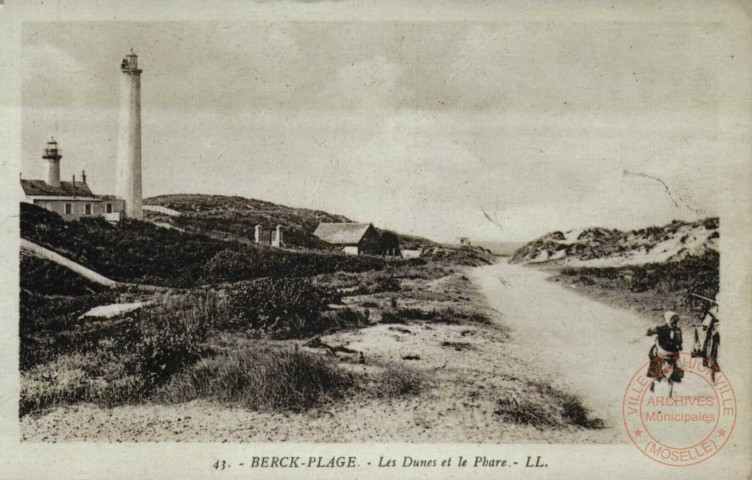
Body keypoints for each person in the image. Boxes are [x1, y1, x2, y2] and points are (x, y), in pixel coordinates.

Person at [646, 311, 683, 392]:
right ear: (668, 320)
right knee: (657, 369)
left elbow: (680, 342)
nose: (674, 323)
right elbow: (650, 332)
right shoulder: (661, 328)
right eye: (672, 320)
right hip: (661, 351)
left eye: (676, 321)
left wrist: (679, 346)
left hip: (672, 353)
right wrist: (650, 331)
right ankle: (654, 381)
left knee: (673, 373)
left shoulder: (678, 330)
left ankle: (670, 395)